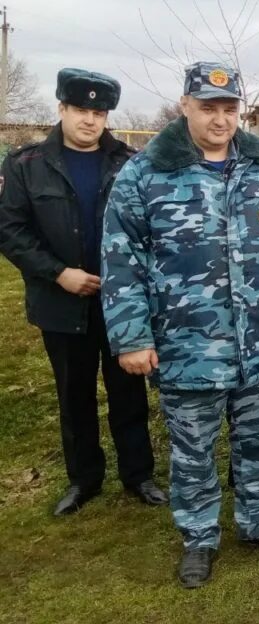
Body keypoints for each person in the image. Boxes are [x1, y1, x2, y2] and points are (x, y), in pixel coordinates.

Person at [101, 61, 259, 588]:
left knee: (257, 441)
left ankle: (258, 522)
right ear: (185, 106)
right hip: (186, 346)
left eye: (229, 108)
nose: (220, 119)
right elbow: (120, 258)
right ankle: (199, 538)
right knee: (194, 451)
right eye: (208, 108)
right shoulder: (146, 173)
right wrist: (131, 336)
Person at [0, 68, 166, 517]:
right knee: (74, 394)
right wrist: (58, 274)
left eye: (99, 112)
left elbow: (146, 228)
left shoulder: (130, 163)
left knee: (128, 391)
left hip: (121, 303)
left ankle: (138, 475)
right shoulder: (26, 164)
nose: (90, 120)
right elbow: (11, 230)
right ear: (61, 109)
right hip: (61, 301)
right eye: (81, 110)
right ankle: (84, 479)